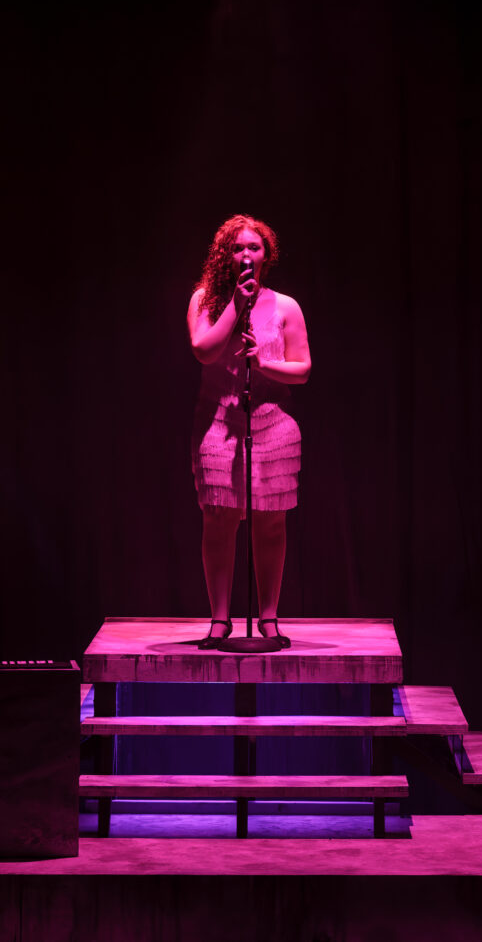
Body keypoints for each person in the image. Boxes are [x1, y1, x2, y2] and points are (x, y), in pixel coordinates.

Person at [187, 215, 311, 648]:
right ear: (225, 254)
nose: (245, 254)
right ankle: (220, 619)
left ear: (265, 255)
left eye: (253, 247)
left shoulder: (286, 306)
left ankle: (269, 617)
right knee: (219, 519)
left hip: (274, 423)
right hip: (218, 422)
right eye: (237, 247)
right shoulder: (205, 299)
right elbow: (204, 350)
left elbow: (302, 369)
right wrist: (236, 305)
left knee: (271, 522)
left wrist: (264, 364)